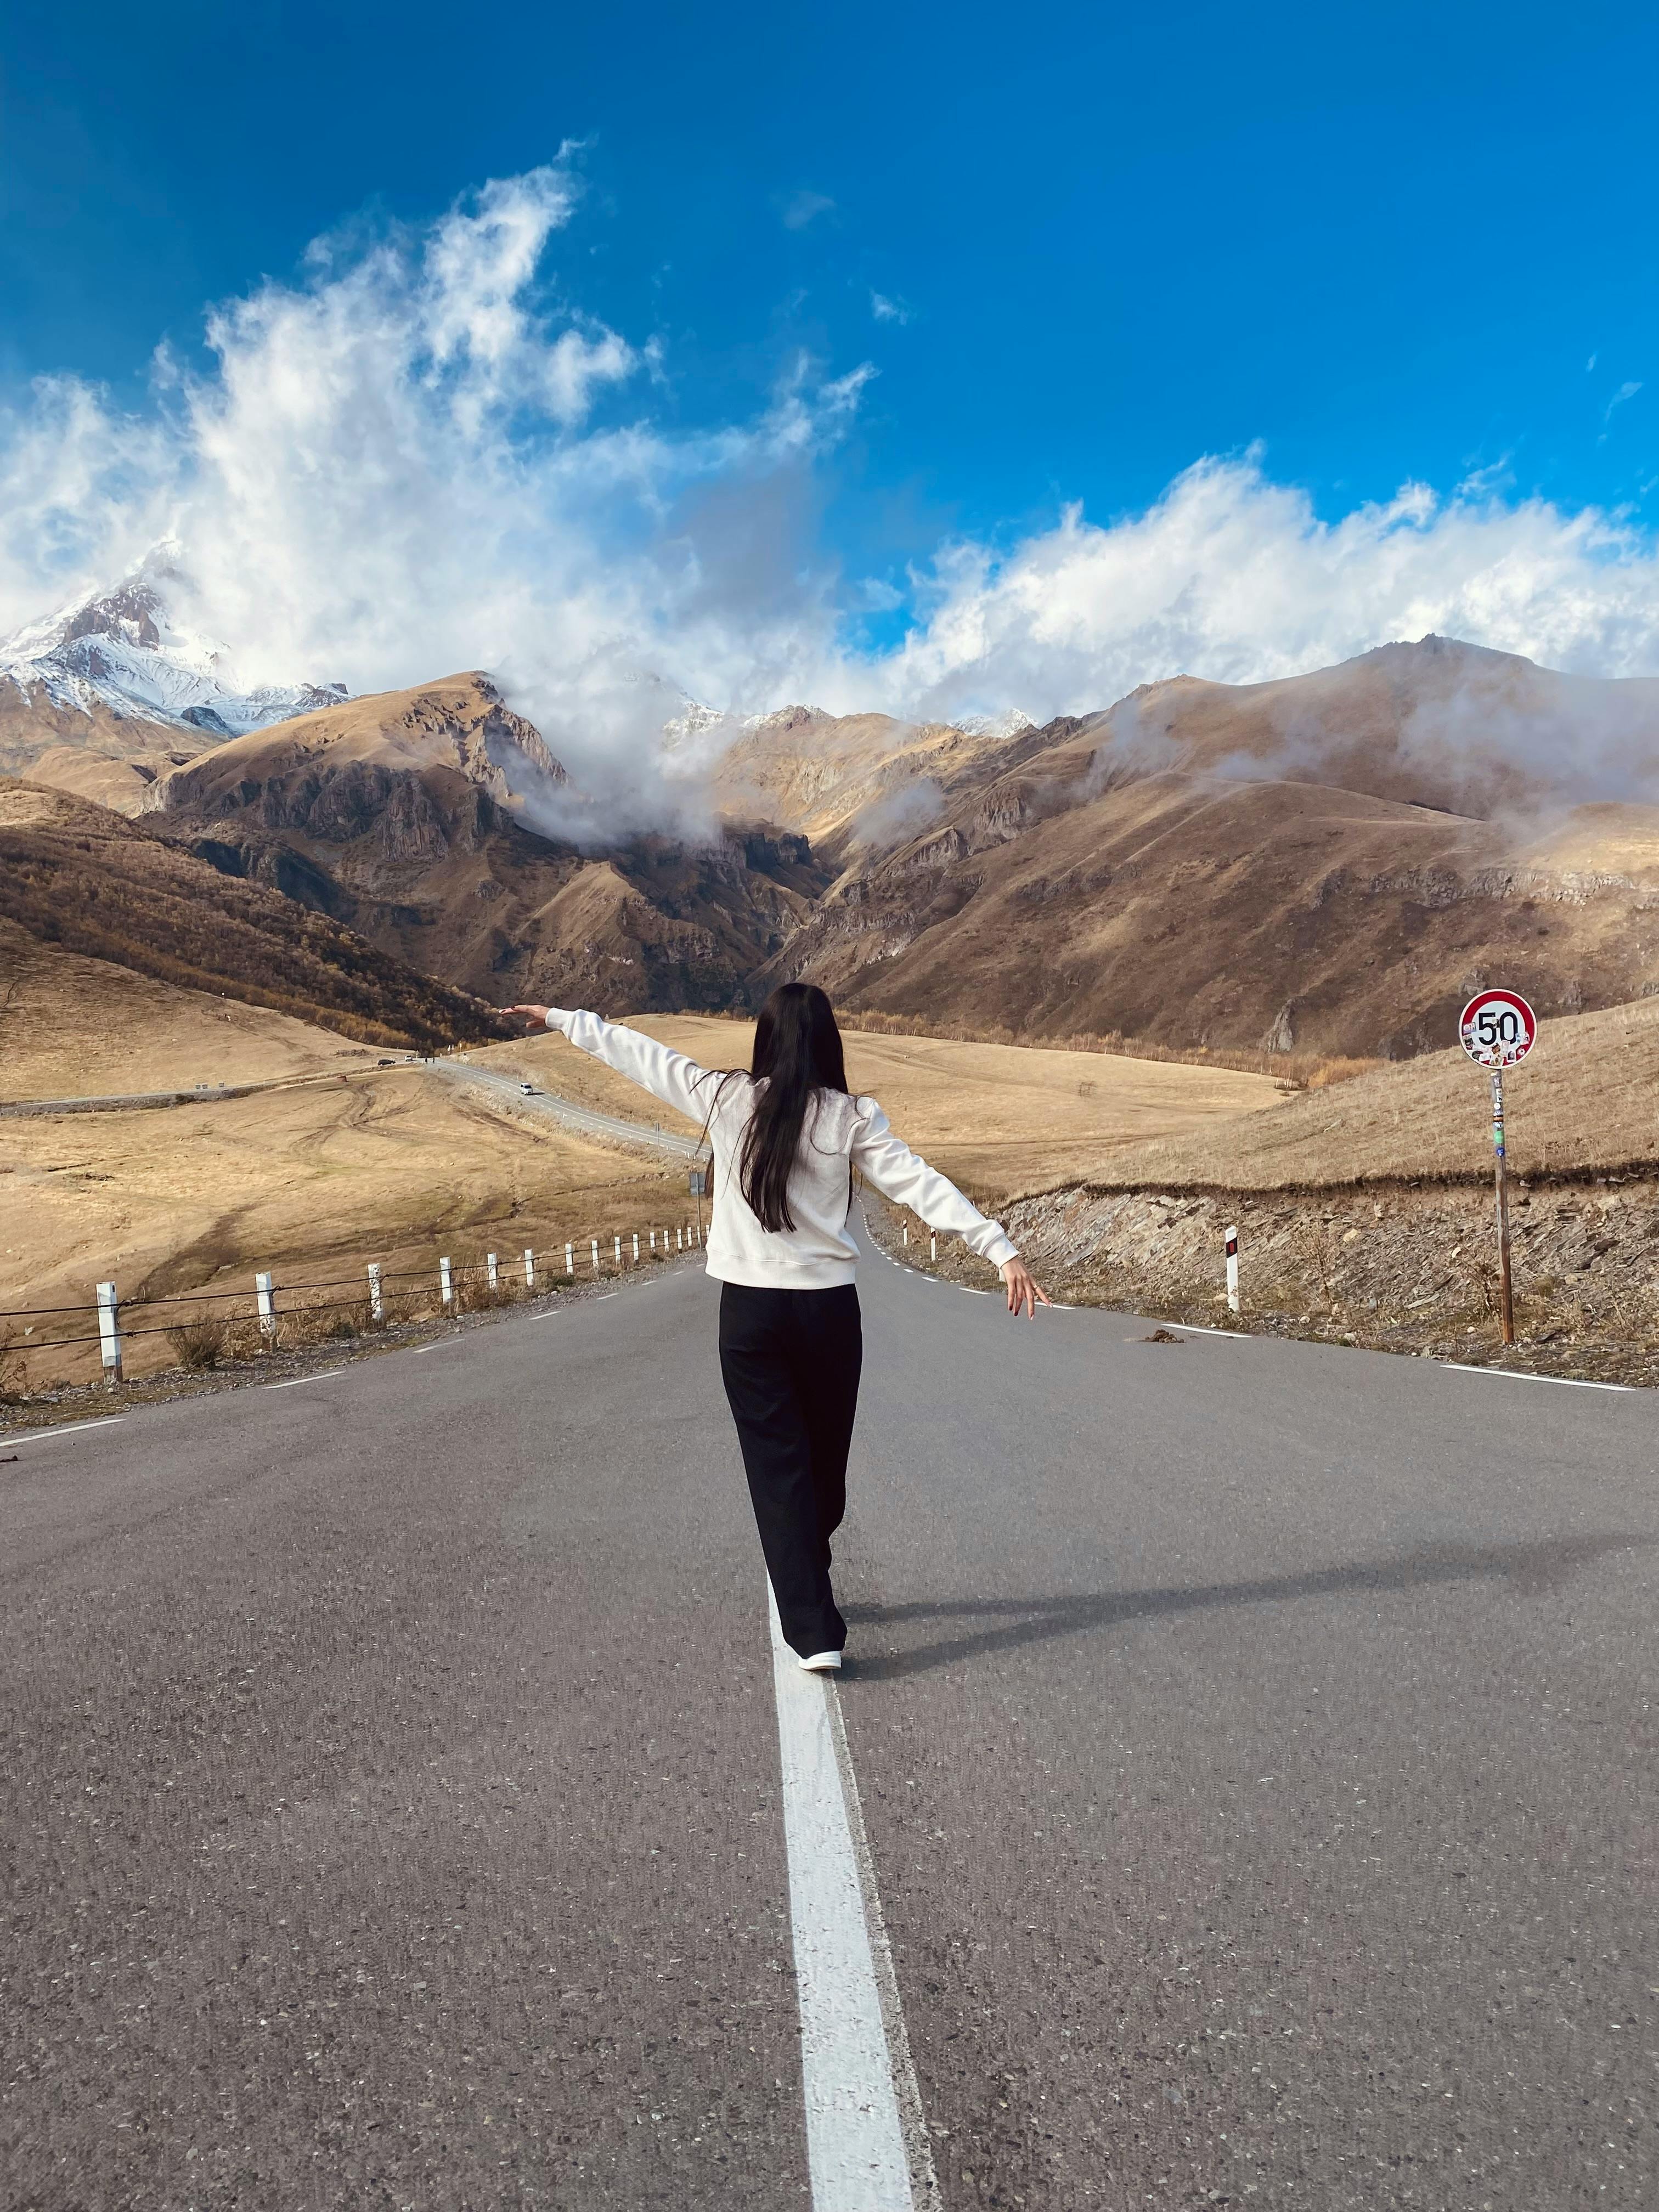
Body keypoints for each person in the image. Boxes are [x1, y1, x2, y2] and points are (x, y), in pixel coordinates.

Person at [503, 985, 1049, 1672]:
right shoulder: (829, 1113)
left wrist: (562, 1020)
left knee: (804, 1471)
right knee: (806, 1465)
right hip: (826, 1315)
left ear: (765, 1040)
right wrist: (999, 1248)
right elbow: (920, 1183)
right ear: (830, 1043)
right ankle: (814, 1629)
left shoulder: (737, 1100)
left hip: (754, 1315)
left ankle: (802, 1572)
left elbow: (642, 1057)